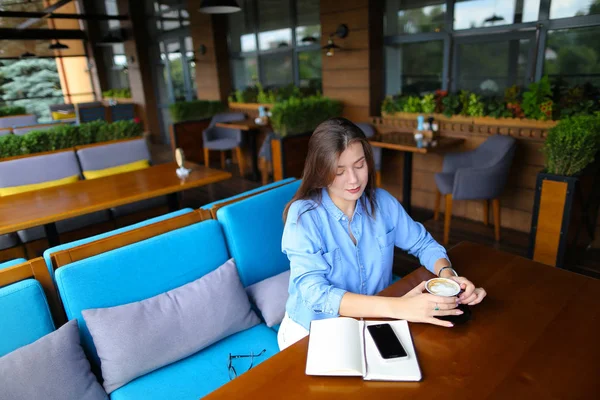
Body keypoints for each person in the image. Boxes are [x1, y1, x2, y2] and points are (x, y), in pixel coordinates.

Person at [277, 117, 486, 350]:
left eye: (359, 165)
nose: (354, 180)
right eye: (339, 171)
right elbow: (316, 294)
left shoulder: (383, 203)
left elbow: (423, 243)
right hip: (313, 331)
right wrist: (400, 307)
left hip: (373, 320)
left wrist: (447, 276)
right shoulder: (304, 217)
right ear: (321, 170)